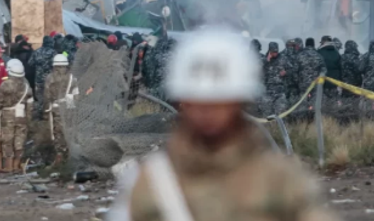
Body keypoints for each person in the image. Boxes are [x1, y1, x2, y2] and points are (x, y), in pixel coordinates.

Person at [110, 31, 338, 221]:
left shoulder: (279, 179)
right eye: (199, 102)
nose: (208, 112)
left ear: (240, 103)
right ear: (184, 102)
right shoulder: (153, 183)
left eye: (219, 102)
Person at [0, 59, 32, 173]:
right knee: (19, 140)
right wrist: (29, 118)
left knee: (8, 140)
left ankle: (8, 166)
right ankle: (17, 165)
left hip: (8, 115)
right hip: (22, 116)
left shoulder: (5, 85)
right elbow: (30, 105)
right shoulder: (27, 87)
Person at [44, 54, 78, 165]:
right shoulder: (72, 78)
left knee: (58, 132)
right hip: (69, 106)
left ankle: (60, 156)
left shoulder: (50, 78)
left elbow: (47, 95)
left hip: (56, 107)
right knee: (69, 130)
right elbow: (77, 95)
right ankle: (70, 156)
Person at [29, 36, 56, 119]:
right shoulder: (53, 52)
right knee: (50, 96)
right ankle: (49, 113)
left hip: (39, 78)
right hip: (50, 79)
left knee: (40, 96)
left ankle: (39, 115)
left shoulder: (36, 52)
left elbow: (30, 63)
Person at [260, 41, 289, 117]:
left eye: (276, 51)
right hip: (267, 91)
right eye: (273, 52)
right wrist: (267, 61)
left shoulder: (283, 58)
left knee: (281, 112)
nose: (275, 54)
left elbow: (292, 69)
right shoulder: (264, 59)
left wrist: (286, 72)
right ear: (269, 51)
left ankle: (280, 128)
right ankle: (271, 128)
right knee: (267, 113)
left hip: (280, 91)